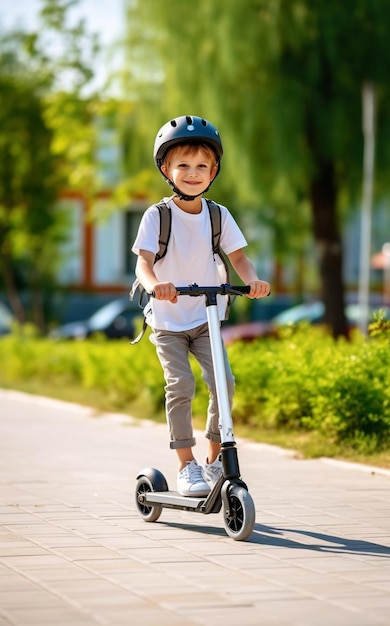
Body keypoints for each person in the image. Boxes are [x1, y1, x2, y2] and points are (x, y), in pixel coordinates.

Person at [131, 115, 270, 497]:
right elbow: (143, 263)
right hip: (168, 320)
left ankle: (213, 464)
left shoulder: (217, 215)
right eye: (184, 166)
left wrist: (252, 279)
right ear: (166, 169)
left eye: (202, 167)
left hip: (205, 316)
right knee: (181, 385)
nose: (193, 173)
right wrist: (156, 286)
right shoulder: (157, 215)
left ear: (214, 171)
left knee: (224, 383)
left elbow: (240, 259)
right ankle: (186, 465)